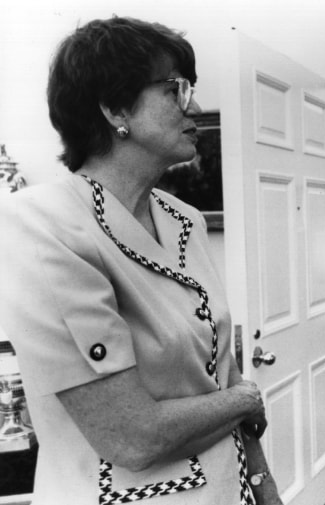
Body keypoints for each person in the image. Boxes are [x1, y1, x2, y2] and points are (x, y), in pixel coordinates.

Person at [0, 17, 281, 505]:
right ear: (114, 108)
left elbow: (222, 370)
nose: (193, 106)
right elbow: (131, 436)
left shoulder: (183, 219)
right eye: (176, 89)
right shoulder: (41, 226)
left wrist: (261, 483)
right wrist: (243, 400)